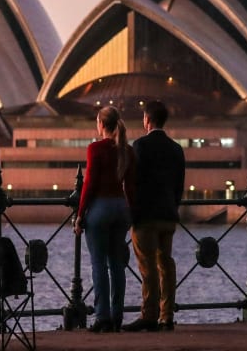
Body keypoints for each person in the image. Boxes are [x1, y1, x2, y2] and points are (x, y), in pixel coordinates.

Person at [122, 100, 185, 333]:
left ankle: (148, 315)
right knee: (166, 264)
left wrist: (132, 212)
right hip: (168, 215)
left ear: (147, 120)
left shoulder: (140, 146)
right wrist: (172, 206)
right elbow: (179, 185)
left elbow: (132, 181)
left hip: (145, 216)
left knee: (147, 266)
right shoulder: (176, 149)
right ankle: (166, 315)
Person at [73, 105, 135, 333]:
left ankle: (103, 317)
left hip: (100, 207)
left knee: (98, 263)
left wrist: (80, 215)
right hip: (121, 208)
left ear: (101, 124)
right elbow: (131, 186)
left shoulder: (95, 149)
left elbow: (89, 185)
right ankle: (118, 316)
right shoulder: (127, 150)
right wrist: (132, 213)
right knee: (117, 264)